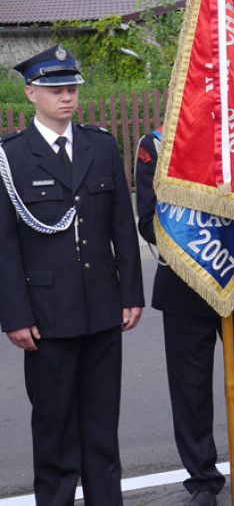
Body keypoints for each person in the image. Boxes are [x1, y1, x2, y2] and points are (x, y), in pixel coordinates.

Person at [0, 45, 144, 505]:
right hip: (47, 314)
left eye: (72, 89)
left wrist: (131, 293)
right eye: (56, 89)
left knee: (102, 423)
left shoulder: (100, 145)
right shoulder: (12, 158)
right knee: (55, 425)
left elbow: (123, 224)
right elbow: (4, 245)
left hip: (102, 307)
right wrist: (14, 316)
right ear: (30, 93)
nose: (67, 97)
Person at [136, 132, 234, 504]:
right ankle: (203, 480)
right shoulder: (157, 145)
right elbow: (147, 220)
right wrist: (201, 237)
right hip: (184, 286)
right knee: (190, 391)